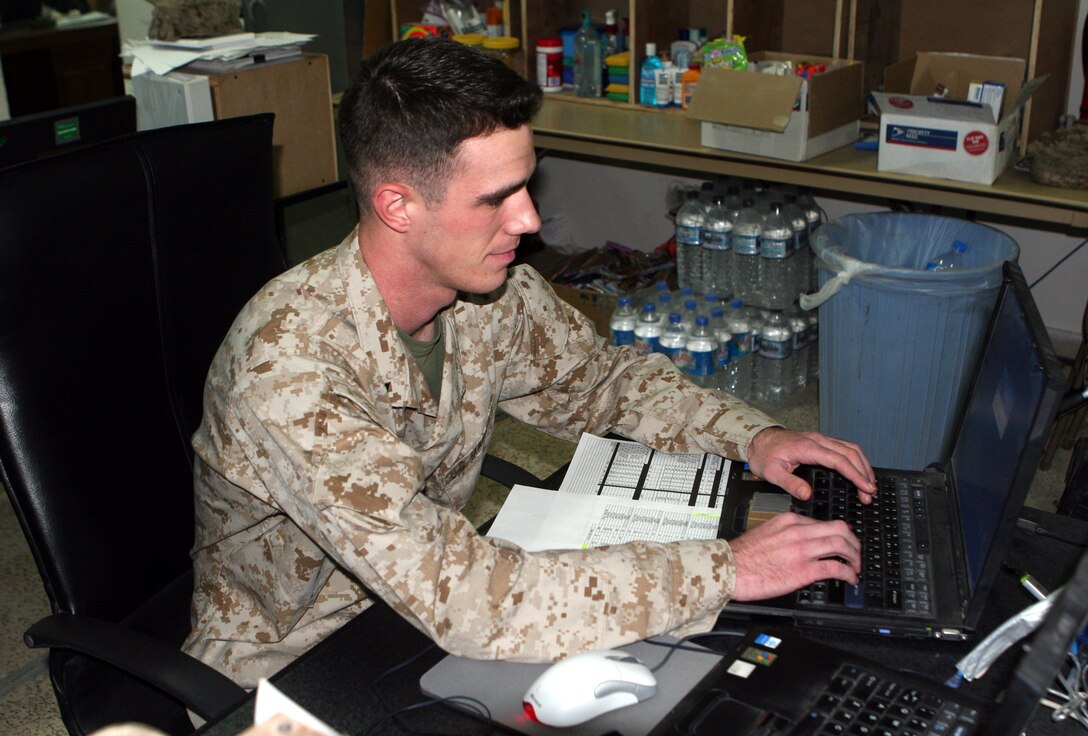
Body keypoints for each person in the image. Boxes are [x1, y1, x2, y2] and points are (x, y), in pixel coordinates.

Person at [183, 37, 876, 688]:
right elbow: (469, 599)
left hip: (418, 612)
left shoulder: (488, 290)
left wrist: (754, 437)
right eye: (495, 199)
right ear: (398, 204)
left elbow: (602, 383)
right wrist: (725, 570)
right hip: (297, 668)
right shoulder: (290, 373)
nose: (530, 221)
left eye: (525, 185)